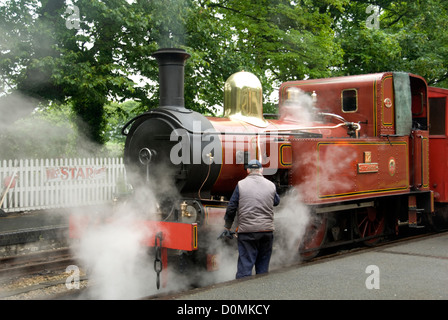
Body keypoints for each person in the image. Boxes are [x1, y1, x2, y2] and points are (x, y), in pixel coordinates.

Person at [223, 159, 280, 279]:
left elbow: (232, 207)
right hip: (266, 231)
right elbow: (276, 202)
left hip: (247, 232)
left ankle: (244, 293)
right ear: (261, 170)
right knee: (263, 267)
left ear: (248, 170)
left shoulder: (240, 184)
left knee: (245, 265)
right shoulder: (271, 185)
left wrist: (227, 226)